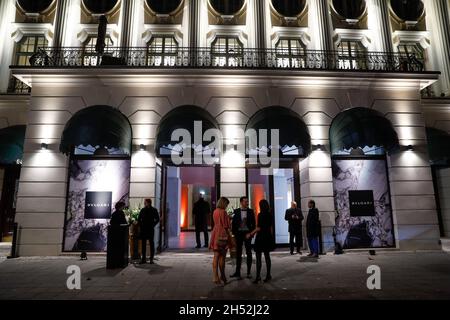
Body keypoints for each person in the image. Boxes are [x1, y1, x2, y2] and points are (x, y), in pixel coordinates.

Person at [247, 199, 274, 284]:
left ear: (261, 206)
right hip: (267, 237)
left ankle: (258, 276)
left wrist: (250, 234)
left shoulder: (260, 215)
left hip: (260, 237)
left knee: (258, 257)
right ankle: (268, 275)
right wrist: (271, 237)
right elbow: (270, 228)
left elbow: (258, 228)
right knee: (267, 257)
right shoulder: (270, 215)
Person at [230, 196, 256, 280]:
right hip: (239, 235)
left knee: (249, 252)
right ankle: (237, 272)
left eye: (247, 201)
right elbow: (234, 224)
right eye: (245, 201)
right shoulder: (236, 211)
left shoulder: (251, 211)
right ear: (241, 202)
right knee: (238, 253)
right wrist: (233, 235)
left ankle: (248, 272)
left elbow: (254, 224)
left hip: (248, 234)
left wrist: (251, 234)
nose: (247, 203)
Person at [209, 197, 232, 286]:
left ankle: (215, 276)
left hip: (215, 234)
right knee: (222, 257)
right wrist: (230, 239)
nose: (227, 206)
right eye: (226, 204)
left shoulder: (215, 211)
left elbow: (217, 223)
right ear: (224, 203)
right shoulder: (223, 212)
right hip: (222, 236)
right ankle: (222, 275)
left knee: (216, 256)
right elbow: (226, 226)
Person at [138, 198, 160, 264]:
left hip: (150, 229)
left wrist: (153, 225)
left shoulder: (154, 210)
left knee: (151, 243)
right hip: (144, 229)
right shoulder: (143, 210)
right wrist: (141, 225)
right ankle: (143, 259)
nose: (144, 203)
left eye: (145, 202)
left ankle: (151, 259)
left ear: (148, 202)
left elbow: (157, 219)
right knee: (143, 244)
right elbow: (139, 219)